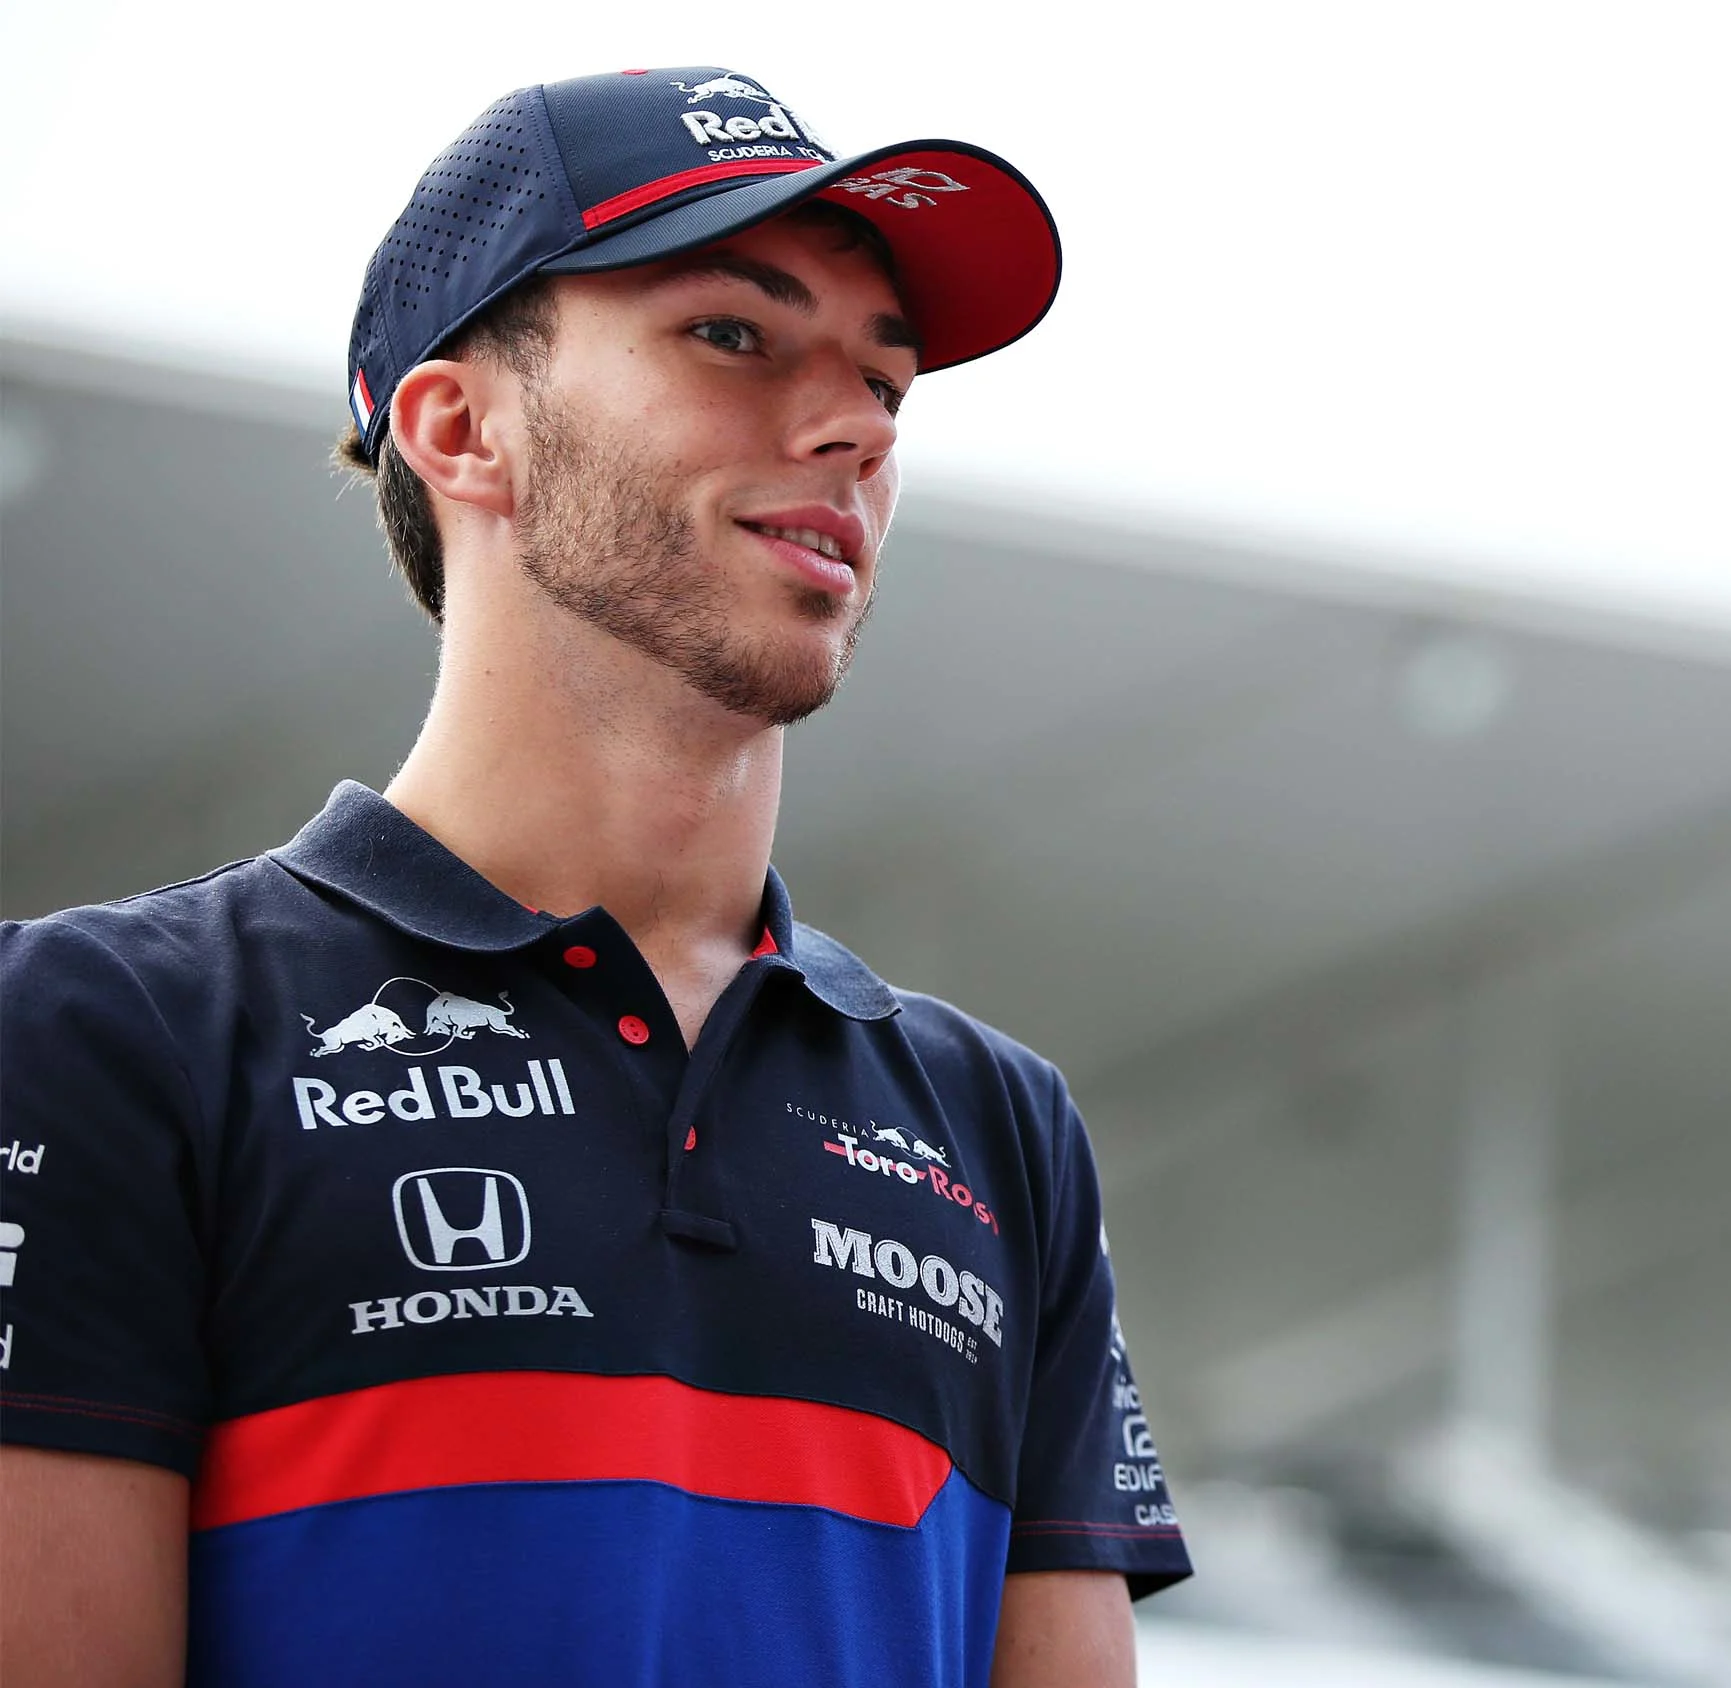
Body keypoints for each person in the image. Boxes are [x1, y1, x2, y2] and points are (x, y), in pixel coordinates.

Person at [0, 66, 1187, 1687]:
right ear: (461, 429)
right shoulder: (97, 1030)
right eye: (733, 333)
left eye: (885, 381)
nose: (854, 427)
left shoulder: (1000, 1128)